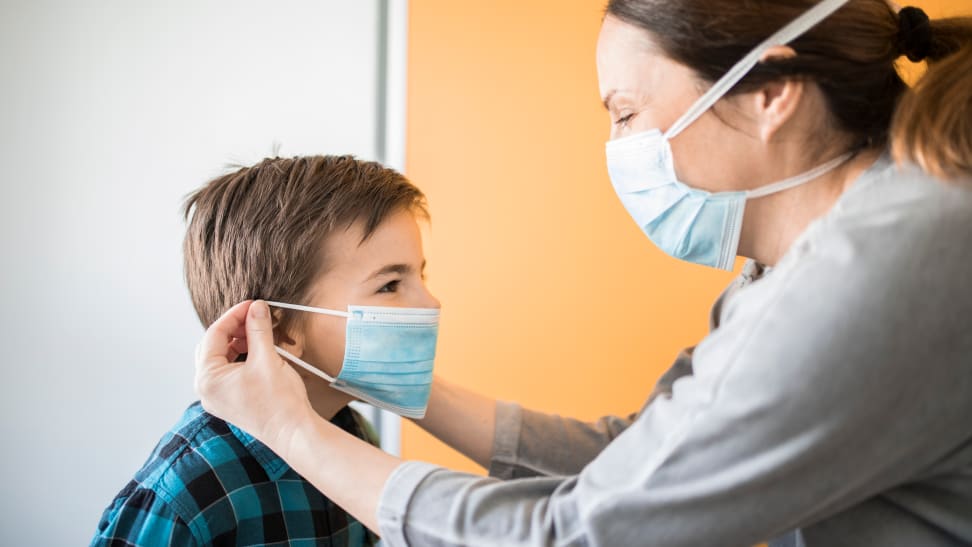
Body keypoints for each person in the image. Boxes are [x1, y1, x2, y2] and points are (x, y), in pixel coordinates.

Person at [193, 1, 972, 545]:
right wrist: (402, 380)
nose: (616, 147)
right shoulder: (793, 267)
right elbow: (643, 457)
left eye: (626, 112)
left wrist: (292, 429)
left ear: (769, 92)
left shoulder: (878, 270)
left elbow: (579, 532)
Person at [91, 155, 439, 546]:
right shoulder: (186, 494)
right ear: (280, 326)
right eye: (390, 285)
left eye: (420, 275)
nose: (431, 304)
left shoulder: (353, 436)